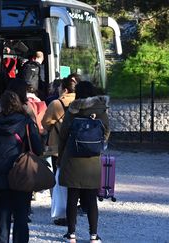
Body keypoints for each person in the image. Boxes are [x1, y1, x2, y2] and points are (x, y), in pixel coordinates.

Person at [0, 91, 43, 243]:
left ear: (1, 106)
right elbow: (38, 149)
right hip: (21, 174)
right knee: (21, 218)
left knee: (3, 219)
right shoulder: (26, 123)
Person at [58, 81, 110, 243]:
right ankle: (93, 235)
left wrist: (61, 156)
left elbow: (63, 134)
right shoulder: (101, 109)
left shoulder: (73, 109)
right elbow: (107, 131)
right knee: (91, 199)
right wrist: (98, 146)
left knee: (72, 197)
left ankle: (71, 234)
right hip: (93, 159)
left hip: (73, 156)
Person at [42, 77, 77, 226]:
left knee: (58, 178)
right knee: (74, 180)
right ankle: (74, 209)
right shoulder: (82, 103)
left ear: (65, 90)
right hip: (77, 146)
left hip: (57, 147)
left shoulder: (57, 103)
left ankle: (60, 210)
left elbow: (45, 122)